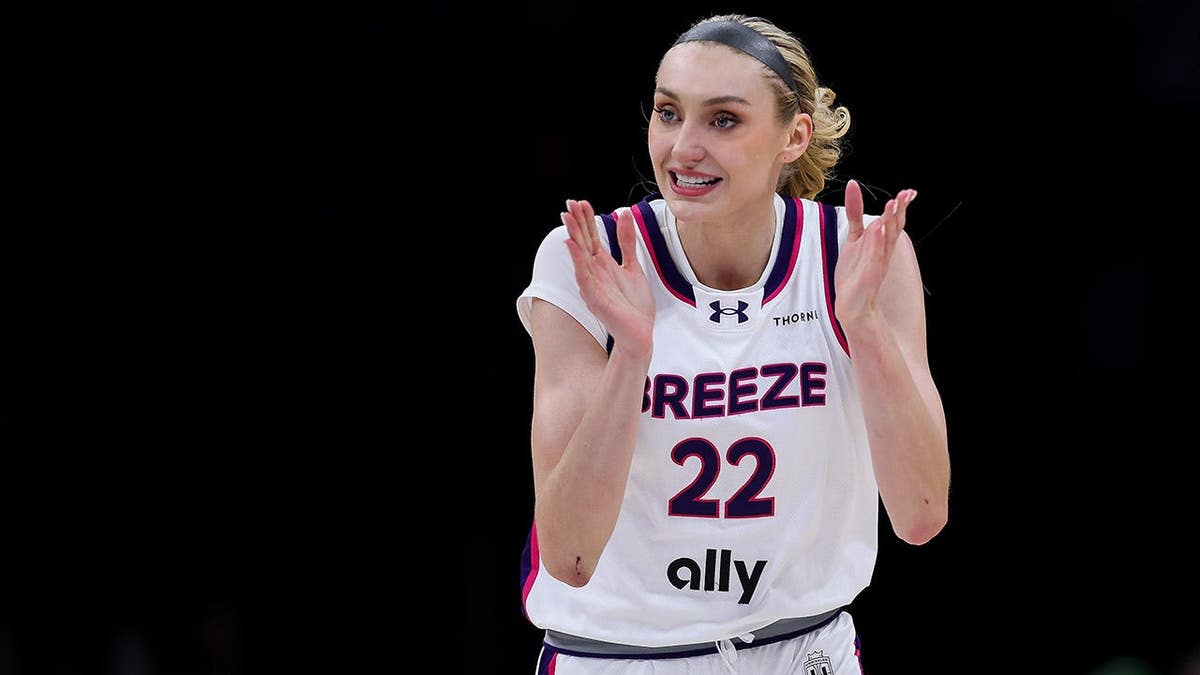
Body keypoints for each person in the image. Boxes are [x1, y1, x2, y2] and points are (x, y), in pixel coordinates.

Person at [514, 13, 949, 674]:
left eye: (723, 120)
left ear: (793, 136)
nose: (683, 147)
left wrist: (863, 329)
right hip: (619, 654)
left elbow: (921, 514)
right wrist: (632, 353)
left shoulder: (855, 257)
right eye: (667, 113)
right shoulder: (585, 261)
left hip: (804, 648)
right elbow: (569, 553)